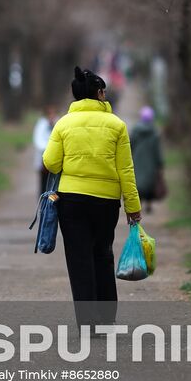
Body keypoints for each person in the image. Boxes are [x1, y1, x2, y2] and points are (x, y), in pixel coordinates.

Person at [43, 66, 142, 331]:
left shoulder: (63, 123)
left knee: (79, 259)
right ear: (99, 93)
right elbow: (126, 170)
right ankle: (107, 319)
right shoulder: (117, 125)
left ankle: (87, 322)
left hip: (72, 201)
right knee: (102, 254)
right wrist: (133, 207)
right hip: (106, 202)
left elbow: (51, 162)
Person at [130, 106, 164, 213]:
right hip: (150, 162)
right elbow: (157, 150)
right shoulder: (154, 133)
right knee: (150, 183)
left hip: (137, 160)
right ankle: (149, 204)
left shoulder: (135, 131)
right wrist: (159, 163)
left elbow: (130, 146)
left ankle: (138, 203)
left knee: (138, 182)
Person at [32, 105, 57, 199]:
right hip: (43, 160)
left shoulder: (58, 122)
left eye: (53, 113)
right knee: (43, 183)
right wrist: (49, 149)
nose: (52, 115)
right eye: (50, 113)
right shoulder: (41, 124)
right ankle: (42, 202)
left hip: (55, 159)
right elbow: (38, 140)